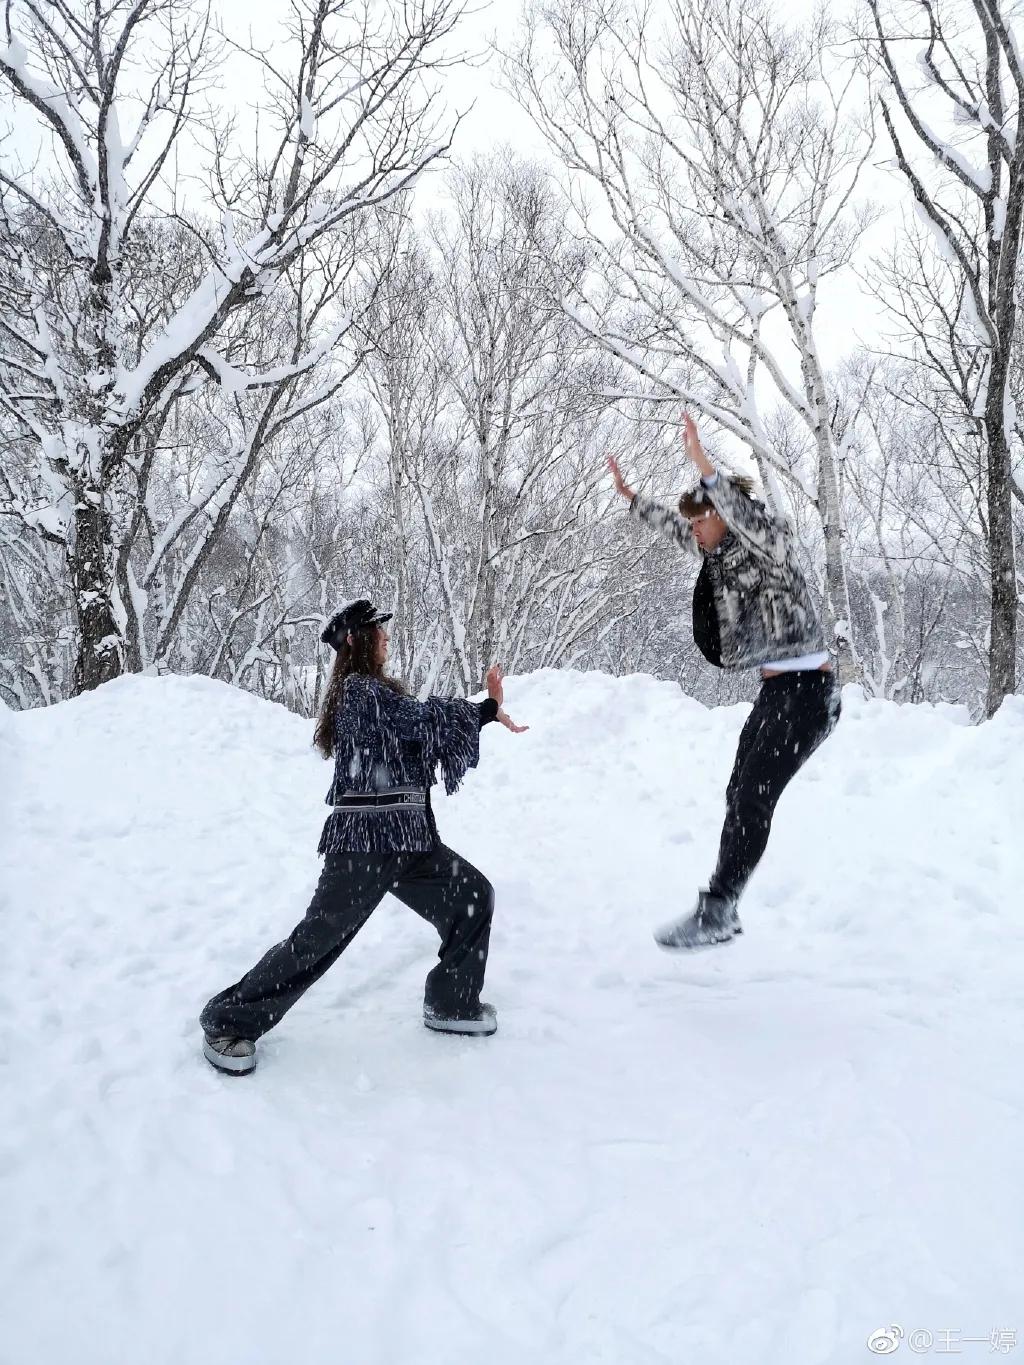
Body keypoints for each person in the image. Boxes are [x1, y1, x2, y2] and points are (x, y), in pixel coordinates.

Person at [199, 599, 527, 1074]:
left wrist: (483, 714)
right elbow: (418, 722)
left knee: (471, 897)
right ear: (358, 642)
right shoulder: (358, 693)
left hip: (411, 840)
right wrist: (487, 708)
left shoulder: (375, 693)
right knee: (317, 940)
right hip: (365, 845)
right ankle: (227, 1021)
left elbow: (419, 728)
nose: (387, 641)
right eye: (381, 634)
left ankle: (452, 1003)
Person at [608, 415, 841, 951]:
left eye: (700, 521)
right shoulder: (719, 552)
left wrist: (705, 466)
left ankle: (719, 908)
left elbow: (746, 517)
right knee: (740, 792)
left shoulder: (767, 543)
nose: (692, 532)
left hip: (809, 695)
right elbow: (674, 525)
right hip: (779, 691)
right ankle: (722, 907)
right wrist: (631, 497)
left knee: (754, 796)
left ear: (722, 514)